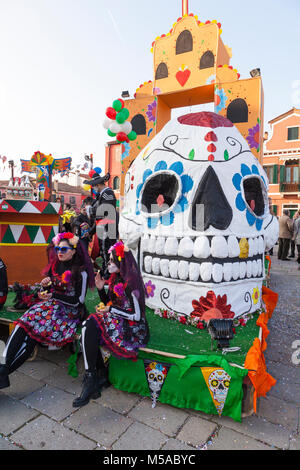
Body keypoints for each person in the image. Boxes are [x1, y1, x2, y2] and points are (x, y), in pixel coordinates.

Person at [0, 232, 95, 390]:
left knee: (31, 335)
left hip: (69, 313)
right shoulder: (56, 265)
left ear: (74, 251)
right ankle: (2, 368)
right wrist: (45, 287)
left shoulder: (82, 272)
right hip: (51, 306)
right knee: (21, 324)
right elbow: (53, 288)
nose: (59, 252)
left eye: (64, 249)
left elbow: (79, 301)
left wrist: (53, 295)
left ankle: (3, 372)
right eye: (58, 248)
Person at [73, 241, 149, 408]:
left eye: (112, 261)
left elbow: (136, 316)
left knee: (90, 323)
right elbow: (110, 303)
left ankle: (94, 377)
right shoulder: (115, 279)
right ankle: (95, 376)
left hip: (134, 329)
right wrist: (101, 289)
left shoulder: (132, 283)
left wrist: (111, 310)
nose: (108, 263)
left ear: (122, 262)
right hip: (120, 320)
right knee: (88, 325)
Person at [84, 172, 118, 278]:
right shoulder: (102, 195)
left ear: (98, 185)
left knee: (107, 252)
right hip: (103, 227)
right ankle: (105, 273)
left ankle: (109, 275)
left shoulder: (108, 193)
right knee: (104, 252)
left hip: (108, 228)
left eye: (94, 186)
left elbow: (104, 210)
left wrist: (91, 210)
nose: (94, 188)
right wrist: (90, 232)